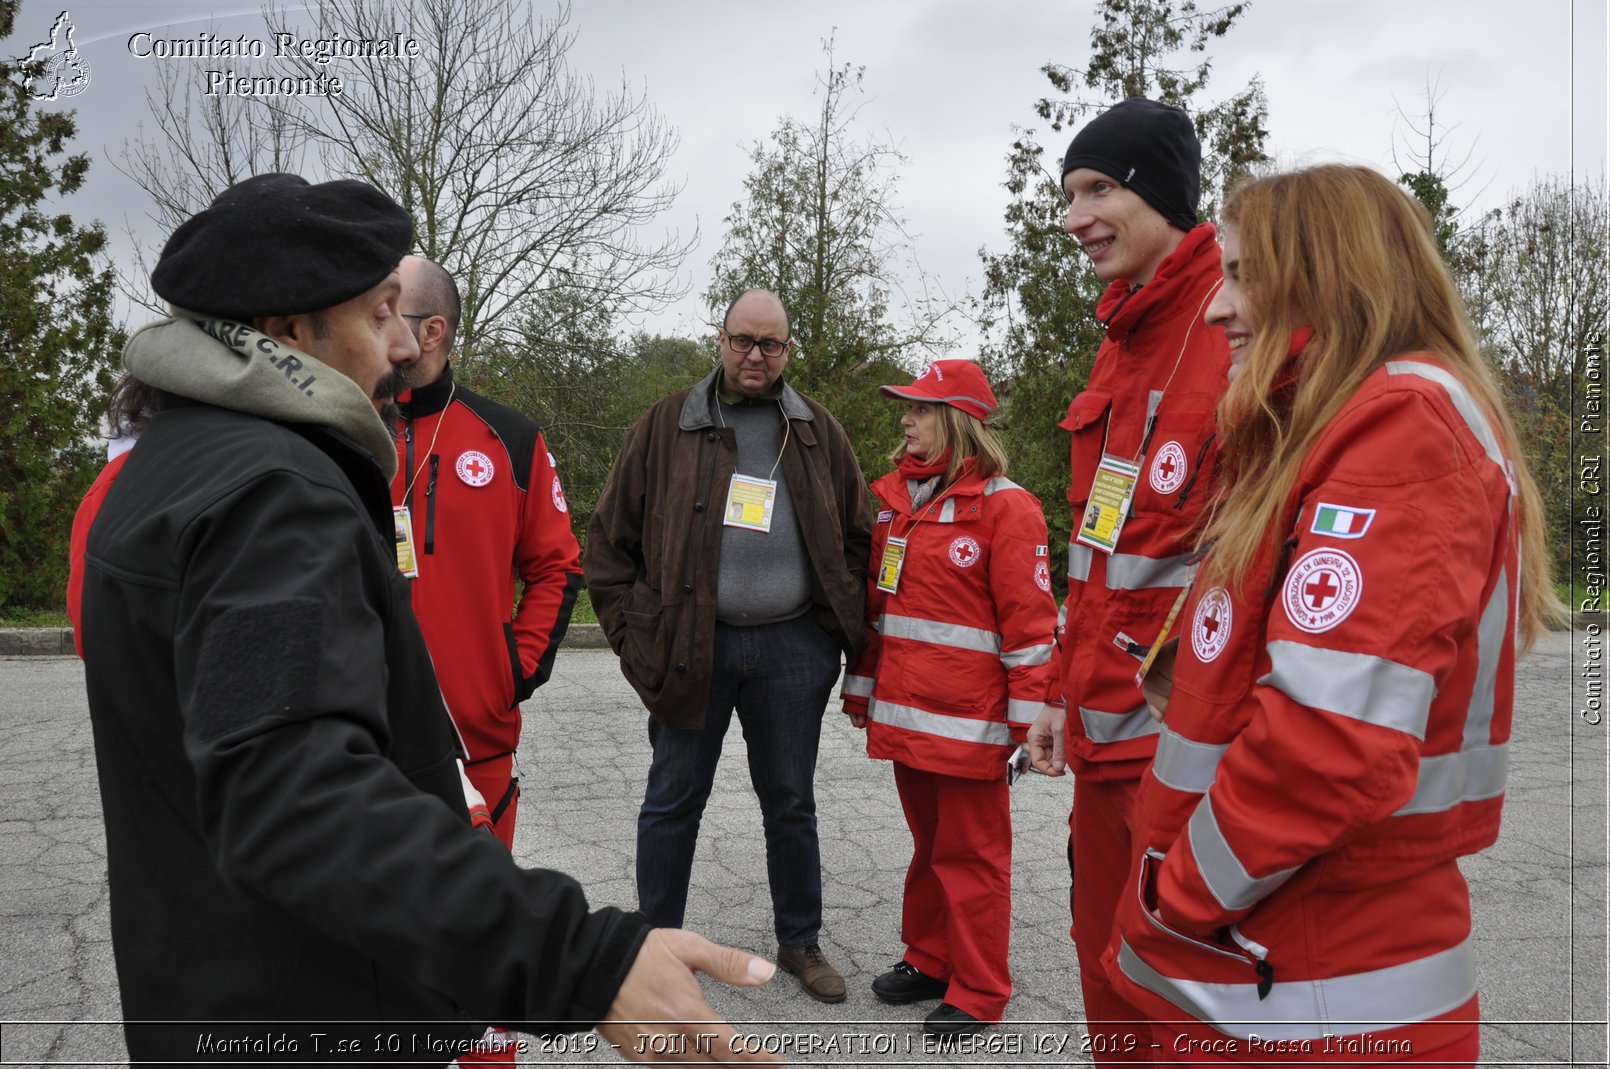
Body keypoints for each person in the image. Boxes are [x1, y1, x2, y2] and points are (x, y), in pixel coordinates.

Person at [77, 173, 782, 1067]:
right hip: (310, 1010)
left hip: (206, 987)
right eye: (379, 315)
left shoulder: (169, 459)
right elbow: (297, 796)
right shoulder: (272, 493)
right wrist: (583, 960)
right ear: (291, 329)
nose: (403, 345)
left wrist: (506, 670)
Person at [1103, 164, 1559, 1066]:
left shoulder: (1400, 424)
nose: (1219, 308)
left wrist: (1179, 892)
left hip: (1311, 981)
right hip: (1276, 961)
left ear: (1322, 275)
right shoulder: (1343, 418)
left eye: (1241, 275)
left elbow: (1329, 742)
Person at [586, 288, 872, 1004]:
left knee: (791, 802)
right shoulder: (667, 426)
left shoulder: (816, 431)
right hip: (690, 649)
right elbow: (607, 545)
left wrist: (832, 630)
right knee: (672, 800)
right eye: (743, 340)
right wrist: (635, 640)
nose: (755, 355)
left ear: (788, 352)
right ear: (719, 339)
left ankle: (799, 940)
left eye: (770, 345)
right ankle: (657, 946)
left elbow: (861, 539)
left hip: (793, 651)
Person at [1024, 97, 1231, 1062]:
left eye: (1099, 189)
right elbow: (1098, 554)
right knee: (1106, 968)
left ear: (1162, 191)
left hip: (1186, 751)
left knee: (1179, 989)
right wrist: (1061, 694)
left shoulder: (1237, 319)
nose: (1074, 217)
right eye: (1069, 194)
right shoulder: (1123, 336)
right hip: (1103, 742)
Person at [839, 359, 1058, 1038]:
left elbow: (1030, 631)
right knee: (930, 846)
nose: (905, 420)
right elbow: (882, 611)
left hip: (973, 726)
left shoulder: (1008, 507)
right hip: (910, 719)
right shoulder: (897, 506)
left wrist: (1027, 729)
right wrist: (863, 690)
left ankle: (981, 987)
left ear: (959, 421)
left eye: (920, 409)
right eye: (905, 409)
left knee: (972, 857)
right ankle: (931, 958)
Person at [391, 255, 582, 851]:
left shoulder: (508, 437)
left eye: (385, 314)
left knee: (475, 928)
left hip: (477, 736)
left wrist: (514, 669)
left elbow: (558, 567)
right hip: (359, 735)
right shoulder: (343, 431)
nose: (370, 327)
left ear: (431, 331)